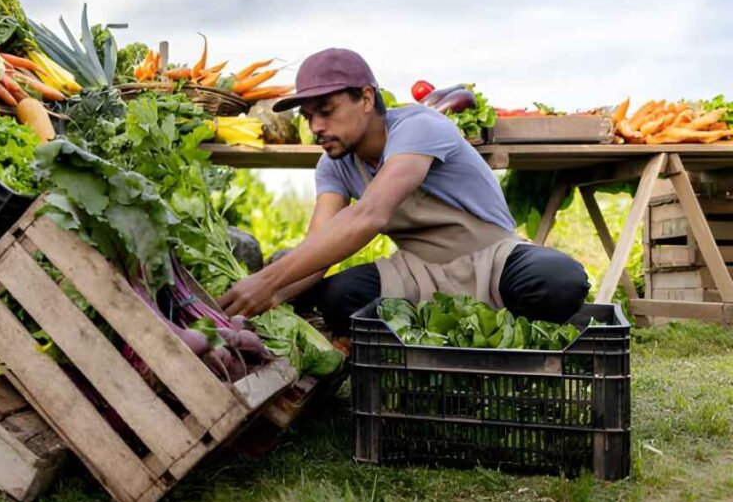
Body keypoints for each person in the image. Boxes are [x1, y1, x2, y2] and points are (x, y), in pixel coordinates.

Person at [218, 48, 589, 333]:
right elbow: (320, 245)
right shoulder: (333, 165)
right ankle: (444, 332)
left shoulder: (418, 127)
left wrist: (264, 281)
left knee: (558, 281)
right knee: (335, 298)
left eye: (326, 111)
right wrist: (266, 299)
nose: (316, 126)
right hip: (418, 273)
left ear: (366, 98)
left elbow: (371, 214)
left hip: (491, 260)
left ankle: (487, 330)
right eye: (308, 116)